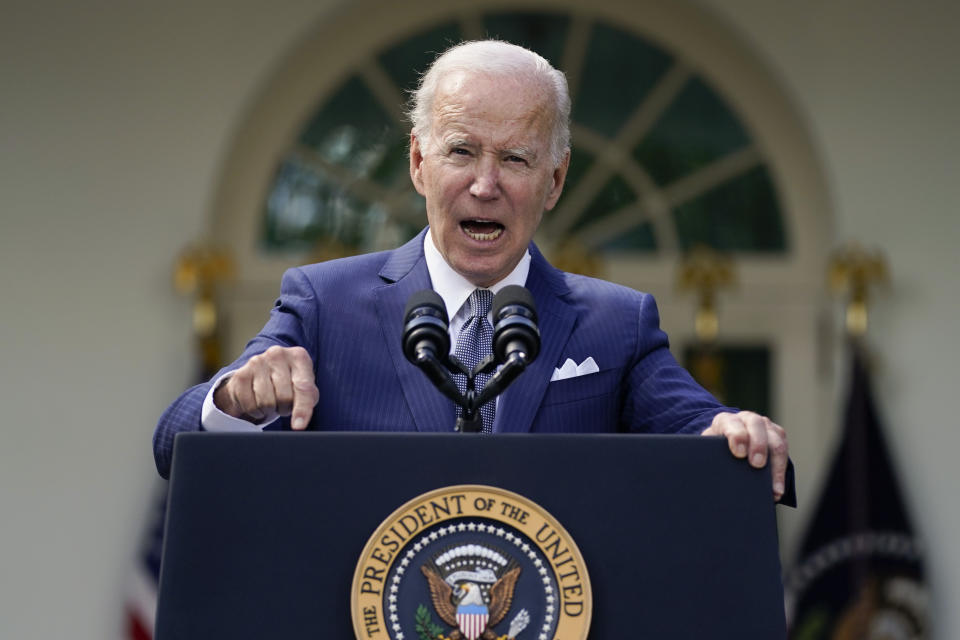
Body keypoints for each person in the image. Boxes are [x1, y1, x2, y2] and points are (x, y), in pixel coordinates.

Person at [154, 40, 791, 504]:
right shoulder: (324, 303)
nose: (485, 187)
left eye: (515, 159)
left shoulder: (616, 324)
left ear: (555, 180)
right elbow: (175, 444)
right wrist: (234, 398)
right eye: (461, 151)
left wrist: (735, 432)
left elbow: (698, 427)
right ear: (418, 163)